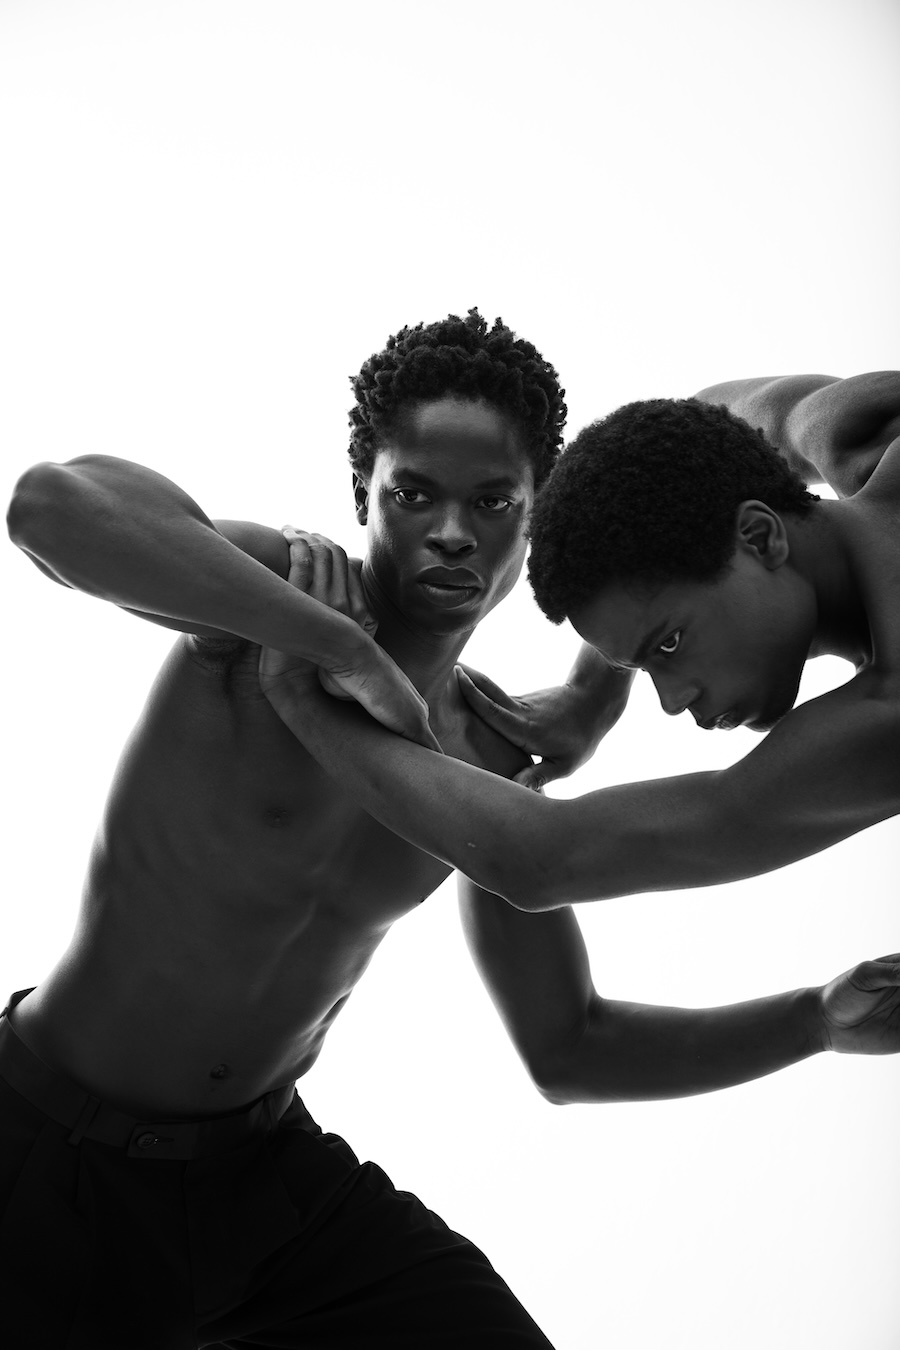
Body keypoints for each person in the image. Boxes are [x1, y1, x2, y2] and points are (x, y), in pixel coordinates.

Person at [4, 311, 897, 1350]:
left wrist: (814, 1019)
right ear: (364, 497)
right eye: (412, 494)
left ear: (534, 516)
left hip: (262, 1190)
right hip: (40, 1157)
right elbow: (51, 506)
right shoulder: (264, 602)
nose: (452, 532)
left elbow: (571, 1045)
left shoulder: (483, 766)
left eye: (494, 502)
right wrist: (334, 646)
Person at [259, 370, 900, 912]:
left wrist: (301, 694)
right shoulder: (866, 430)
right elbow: (697, 427)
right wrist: (594, 692)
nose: (673, 702)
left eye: (670, 644)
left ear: (760, 536)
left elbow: (549, 859)